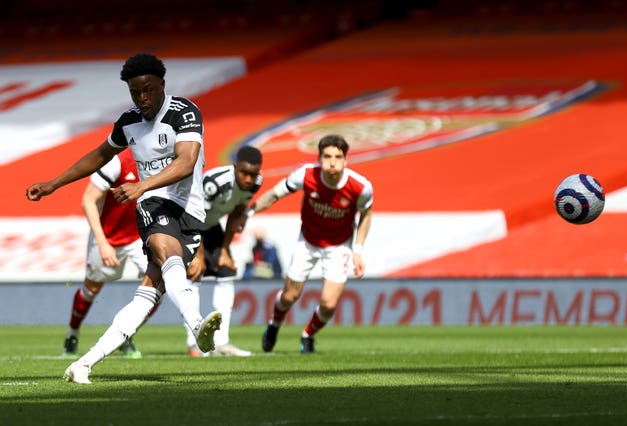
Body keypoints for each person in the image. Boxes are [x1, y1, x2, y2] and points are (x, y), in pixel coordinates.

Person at [26, 53, 221, 384]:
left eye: (148, 90)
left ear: (162, 85)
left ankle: (83, 364)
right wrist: (53, 183)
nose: (142, 98)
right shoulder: (128, 121)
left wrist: (141, 183)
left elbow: (187, 162)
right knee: (166, 252)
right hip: (154, 204)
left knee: (148, 293)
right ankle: (196, 321)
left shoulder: (184, 113)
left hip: (190, 210)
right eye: (135, 92)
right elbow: (100, 155)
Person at [235, 134, 373, 354]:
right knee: (289, 296)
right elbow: (274, 195)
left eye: (338, 157)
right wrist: (249, 212)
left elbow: (366, 215)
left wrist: (358, 250)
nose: (332, 162)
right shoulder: (306, 175)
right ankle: (274, 324)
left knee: (328, 304)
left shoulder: (360, 187)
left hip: (339, 245)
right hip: (308, 242)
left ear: (346, 160)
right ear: (319, 158)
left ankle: (307, 335)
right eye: (327, 156)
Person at [63, 149, 159, 359]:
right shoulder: (117, 162)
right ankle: (72, 334)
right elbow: (88, 200)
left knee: (159, 287)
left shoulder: (160, 160)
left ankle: (125, 334)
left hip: (138, 237)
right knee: (92, 289)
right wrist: (103, 243)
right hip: (107, 236)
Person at [184, 145, 262, 357]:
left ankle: (222, 342)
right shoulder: (214, 183)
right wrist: (198, 256)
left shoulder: (256, 183)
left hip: (211, 226)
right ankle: (194, 344)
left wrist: (225, 250)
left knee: (226, 272)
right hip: (188, 226)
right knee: (194, 274)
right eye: (244, 173)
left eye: (253, 174)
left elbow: (236, 213)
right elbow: (195, 216)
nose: (248, 179)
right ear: (235, 167)